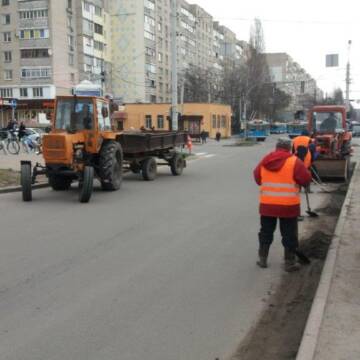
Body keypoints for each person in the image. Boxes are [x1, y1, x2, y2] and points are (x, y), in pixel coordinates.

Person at [253, 137, 312, 272]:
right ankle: (289, 262)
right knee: (289, 234)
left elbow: (257, 177)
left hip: (267, 206)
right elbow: (306, 179)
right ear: (289, 148)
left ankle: (262, 259)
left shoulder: (265, 160)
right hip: (288, 207)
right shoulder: (294, 162)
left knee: (266, 232)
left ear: (276, 147)